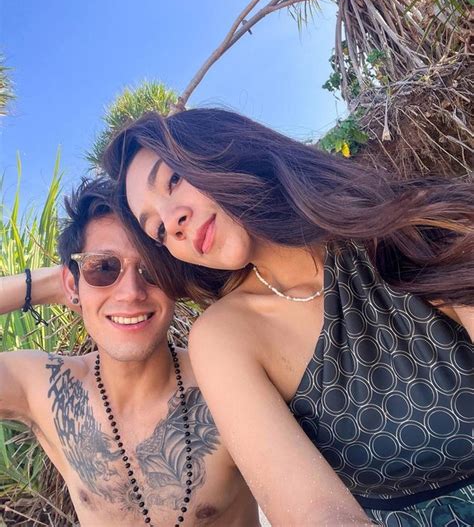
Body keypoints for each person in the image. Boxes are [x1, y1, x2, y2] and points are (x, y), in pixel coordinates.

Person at [102, 108, 474, 527]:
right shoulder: (226, 336)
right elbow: (315, 513)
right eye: (157, 231)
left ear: (224, 147)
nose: (174, 223)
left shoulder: (410, 226)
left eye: (173, 180)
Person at [0, 177, 259, 527]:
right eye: (103, 267)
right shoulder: (45, 388)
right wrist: (50, 285)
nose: (131, 292)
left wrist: (88, 278)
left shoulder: (227, 385)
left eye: (152, 269)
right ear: (72, 284)